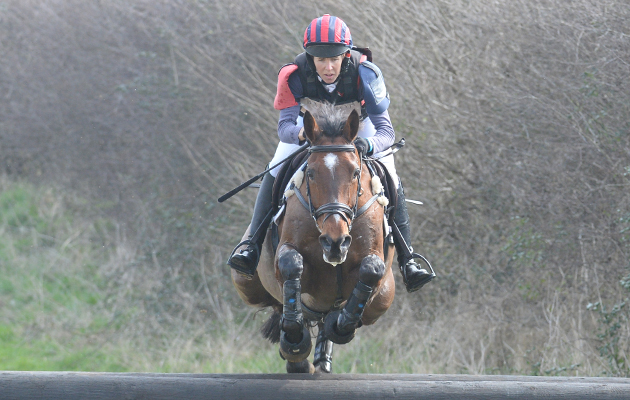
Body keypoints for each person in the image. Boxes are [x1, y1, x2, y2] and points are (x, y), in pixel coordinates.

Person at [227, 14, 433, 292]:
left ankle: (409, 260)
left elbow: (386, 131)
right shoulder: (293, 74)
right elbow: (285, 126)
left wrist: (369, 146)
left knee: (391, 175)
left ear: (346, 54)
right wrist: (301, 134)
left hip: (358, 125)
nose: (327, 66)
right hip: (311, 124)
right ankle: (251, 246)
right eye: (320, 59)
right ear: (309, 57)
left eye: (334, 58)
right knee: (275, 166)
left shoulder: (366, 73)